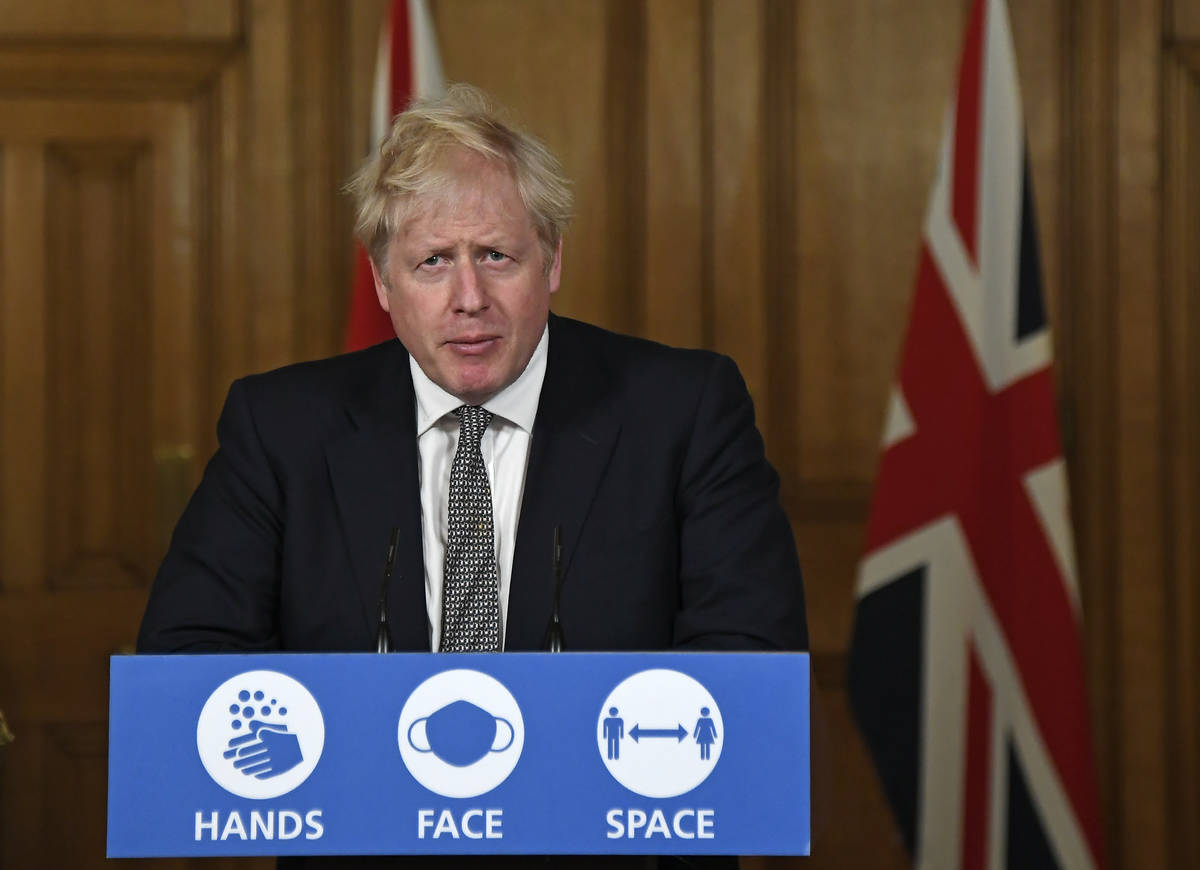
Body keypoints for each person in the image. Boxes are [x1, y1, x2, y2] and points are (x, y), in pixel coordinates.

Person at [138, 84, 807, 867]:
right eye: (432, 262)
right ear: (384, 284)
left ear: (552, 261)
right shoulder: (283, 428)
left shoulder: (683, 411)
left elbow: (749, 662)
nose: (469, 299)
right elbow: (188, 662)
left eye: (496, 255)